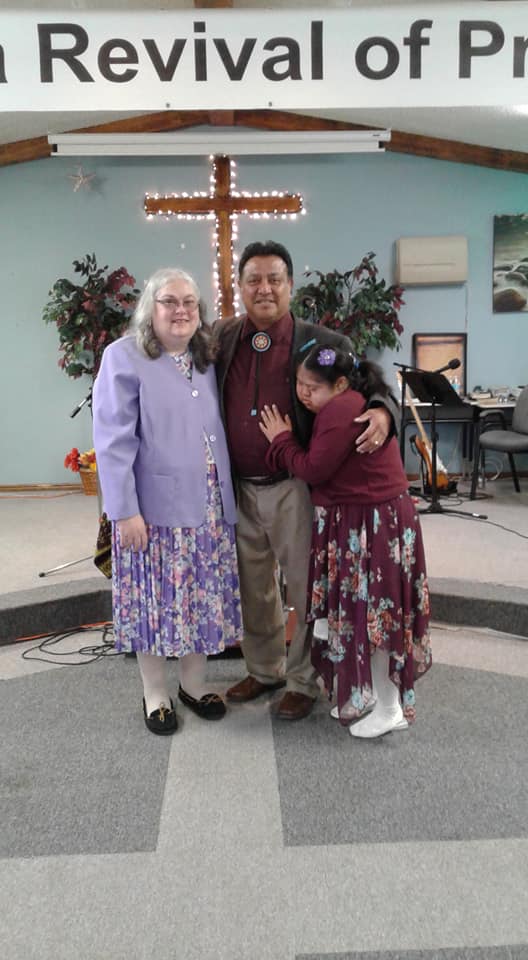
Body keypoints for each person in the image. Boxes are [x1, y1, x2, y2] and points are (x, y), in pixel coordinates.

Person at [213, 240, 400, 721]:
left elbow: (372, 380)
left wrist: (383, 409)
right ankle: (264, 668)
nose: (264, 288)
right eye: (253, 279)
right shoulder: (222, 337)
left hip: (294, 485)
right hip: (239, 488)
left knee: (303, 586)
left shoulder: (322, 341)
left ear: (290, 285)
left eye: (274, 278)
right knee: (254, 588)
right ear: (238, 287)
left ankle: (303, 679)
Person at [93, 268, 243, 735]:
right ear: (149, 308)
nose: (181, 311)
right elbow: (112, 440)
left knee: (202, 598)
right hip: (152, 511)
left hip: (210, 506)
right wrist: (124, 510)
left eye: (190, 302)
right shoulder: (124, 356)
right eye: (169, 301)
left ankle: (194, 685)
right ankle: (155, 692)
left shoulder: (205, 355)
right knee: (153, 602)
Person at [259, 339, 432, 738]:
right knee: (359, 616)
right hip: (360, 520)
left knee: (378, 618)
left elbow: (314, 469)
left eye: (313, 387)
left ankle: (391, 708)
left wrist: (280, 439)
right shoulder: (345, 401)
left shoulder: (341, 408)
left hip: (374, 525)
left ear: (339, 384)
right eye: (299, 384)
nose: (304, 393)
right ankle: (365, 695)